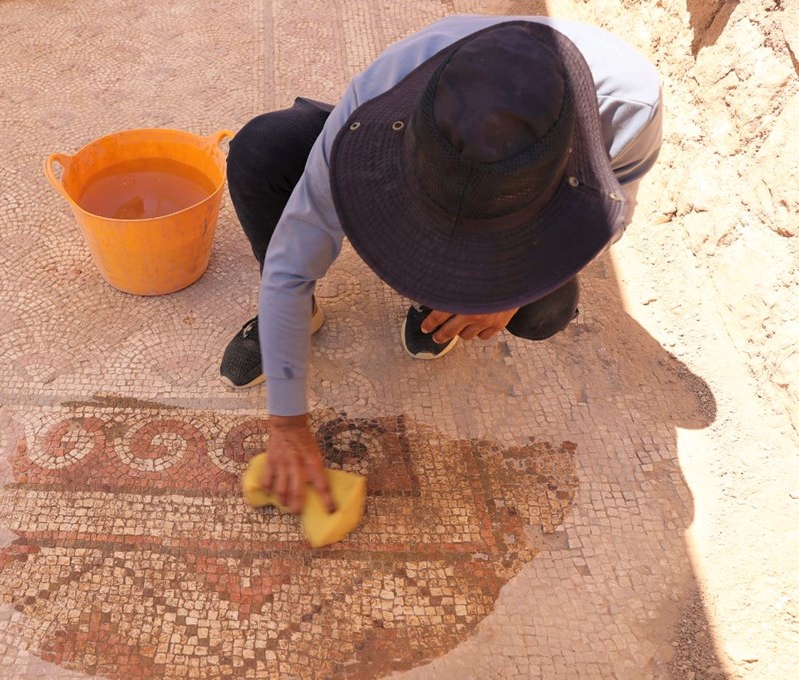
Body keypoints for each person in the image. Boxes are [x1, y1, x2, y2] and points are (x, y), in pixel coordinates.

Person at [217, 16, 662, 514]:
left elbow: (606, 216)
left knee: (544, 311)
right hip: (415, 145)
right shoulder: (383, 88)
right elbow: (293, 253)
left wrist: (509, 293)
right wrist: (286, 424)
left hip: (535, 196)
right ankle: (300, 315)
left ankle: (445, 299)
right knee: (263, 150)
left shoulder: (630, 108)